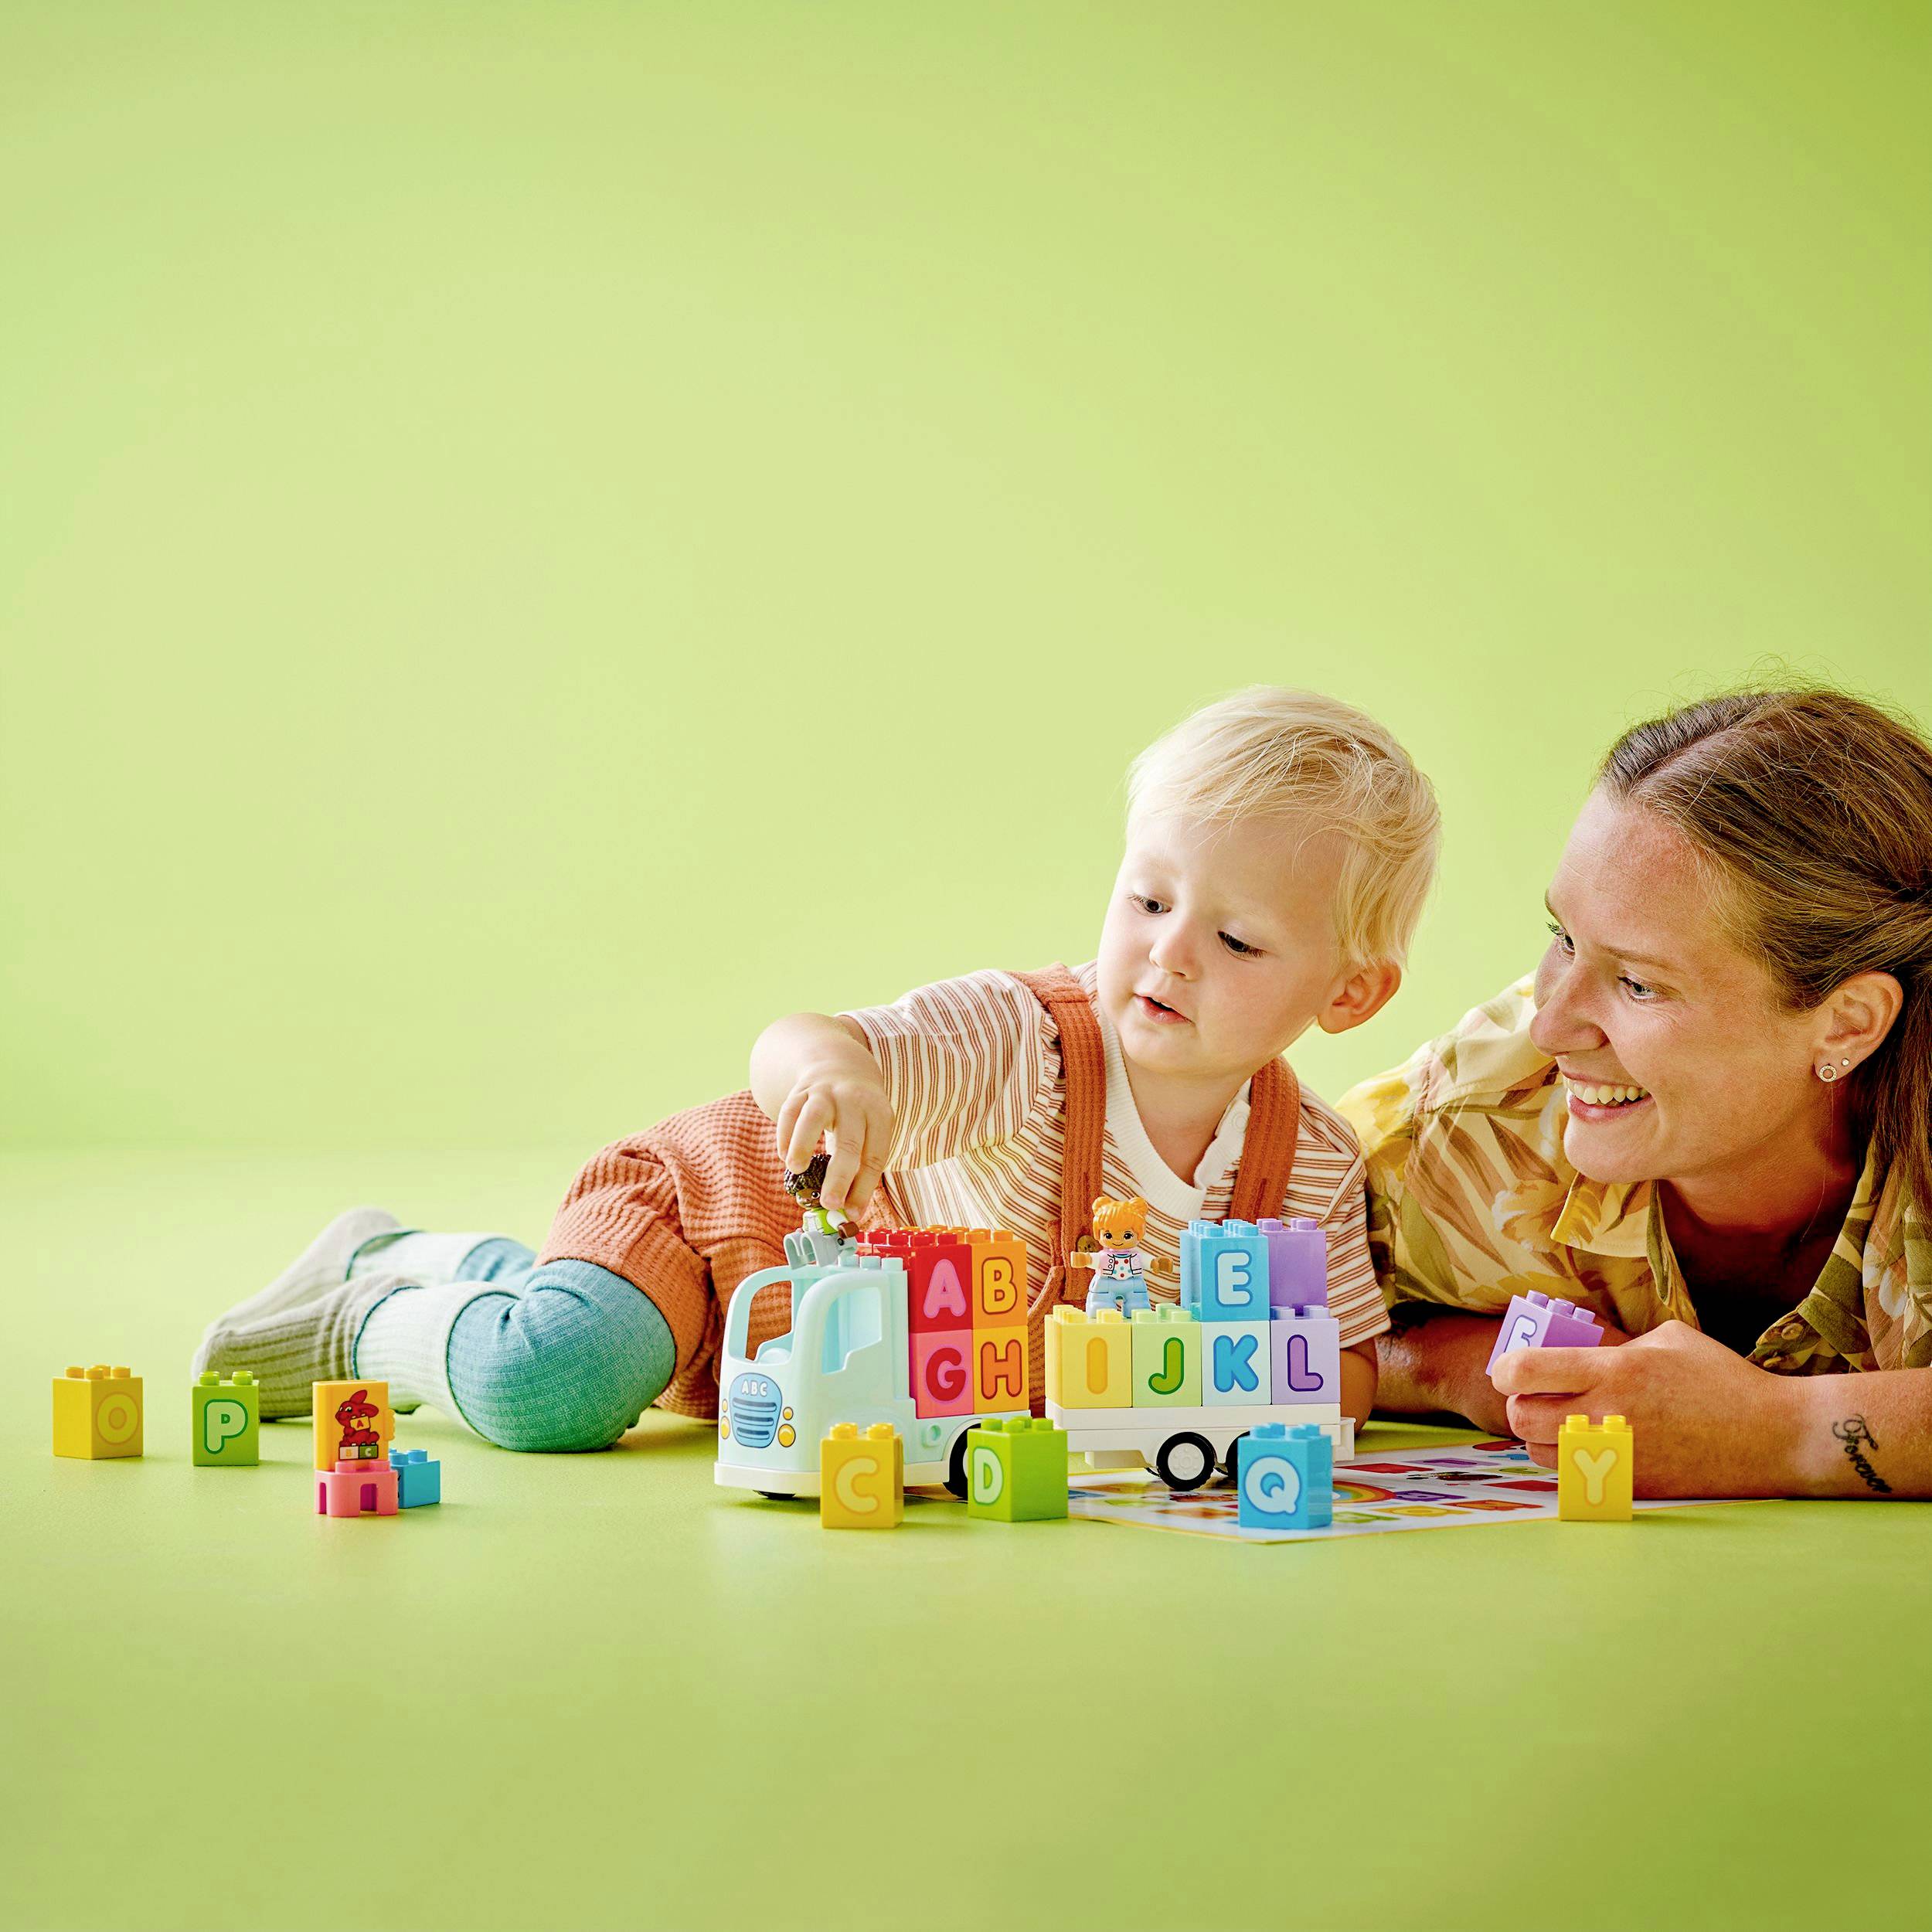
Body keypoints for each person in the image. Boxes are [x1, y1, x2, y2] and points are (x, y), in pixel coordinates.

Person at [196, 687, 1440, 1451]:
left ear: (1350, 994)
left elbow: (1326, 1369)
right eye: (1147, 897)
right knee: (555, 1386)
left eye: (1234, 940)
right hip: (726, 1225)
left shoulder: (1309, 1168)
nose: (1167, 955)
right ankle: (384, 1290)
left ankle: (488, 1279)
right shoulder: (1024, 1046)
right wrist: (830, 1076)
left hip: (838, 1385)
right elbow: (805, 1042)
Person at [1344, 685, 1932, 1498]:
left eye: (1638, 984)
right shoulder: (1465, 1122)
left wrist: (1779, 1432)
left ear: (1847, 1024)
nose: (1551, 1026)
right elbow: (1238, 1317)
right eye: (1563, 938)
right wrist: (1460, 1365)